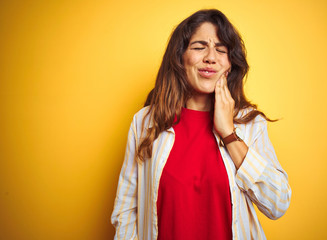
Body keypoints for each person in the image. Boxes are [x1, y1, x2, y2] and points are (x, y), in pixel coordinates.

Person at [111, 9, 291, 240]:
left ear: (230, 64)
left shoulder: (250, 123)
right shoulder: (145, 122)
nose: (211, 57)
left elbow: (278, 203)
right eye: (199, 47)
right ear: (179, 57)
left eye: (221, 49)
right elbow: (126, 210)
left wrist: (229, 133)